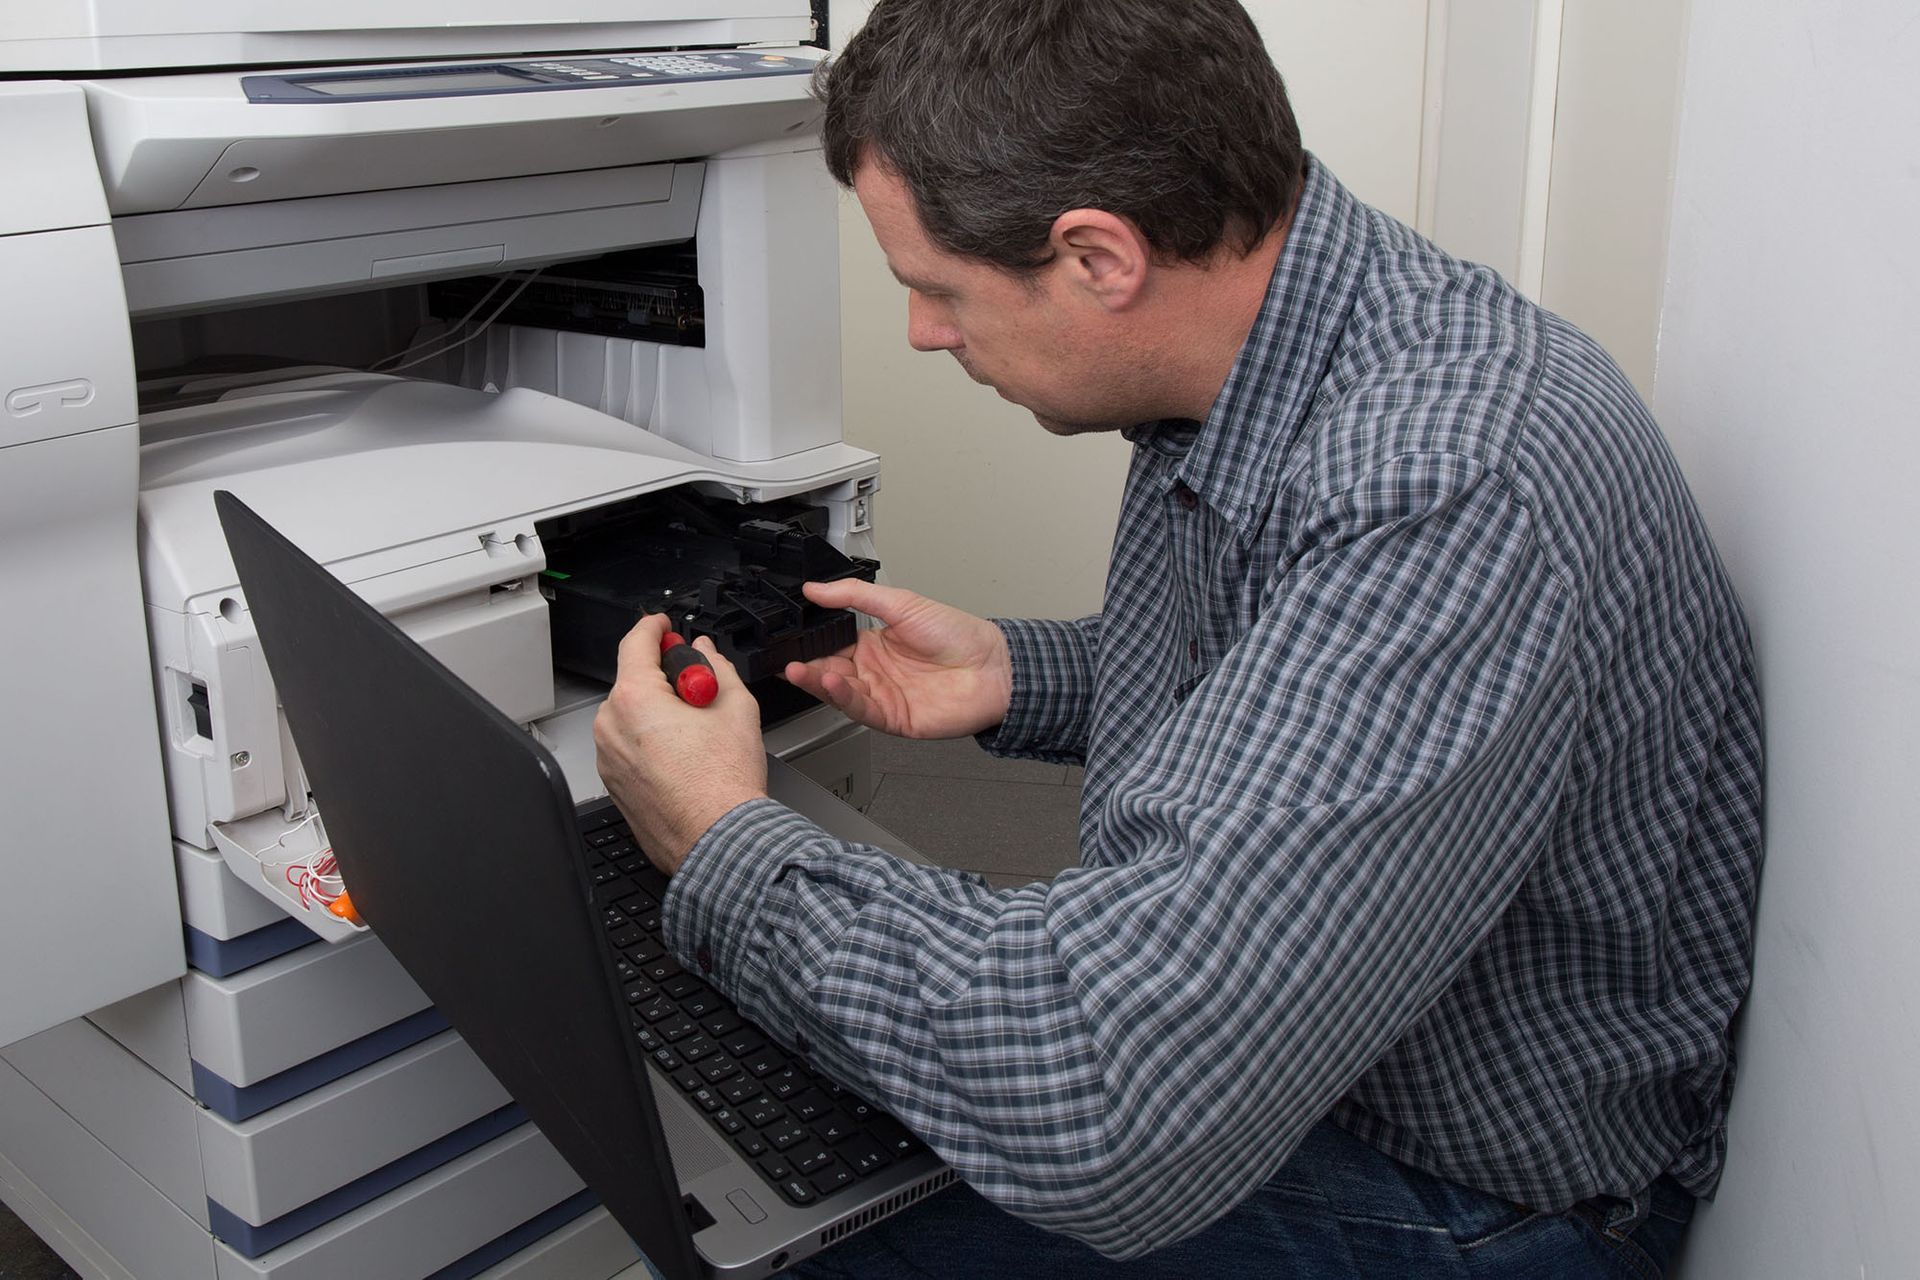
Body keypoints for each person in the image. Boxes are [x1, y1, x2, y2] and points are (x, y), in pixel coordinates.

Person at [592, 0, 1763, 1274]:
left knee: (763, 1241)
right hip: (1320, 1060)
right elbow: (1307, 688)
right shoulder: (1294, 337)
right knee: (797, 1111)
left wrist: (717, 838)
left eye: (936, 290)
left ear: (1099, 257)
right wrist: (1019, 671)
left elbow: (1107, 1100)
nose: (927, 334)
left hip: (1466, 1194)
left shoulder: (1453, 478)